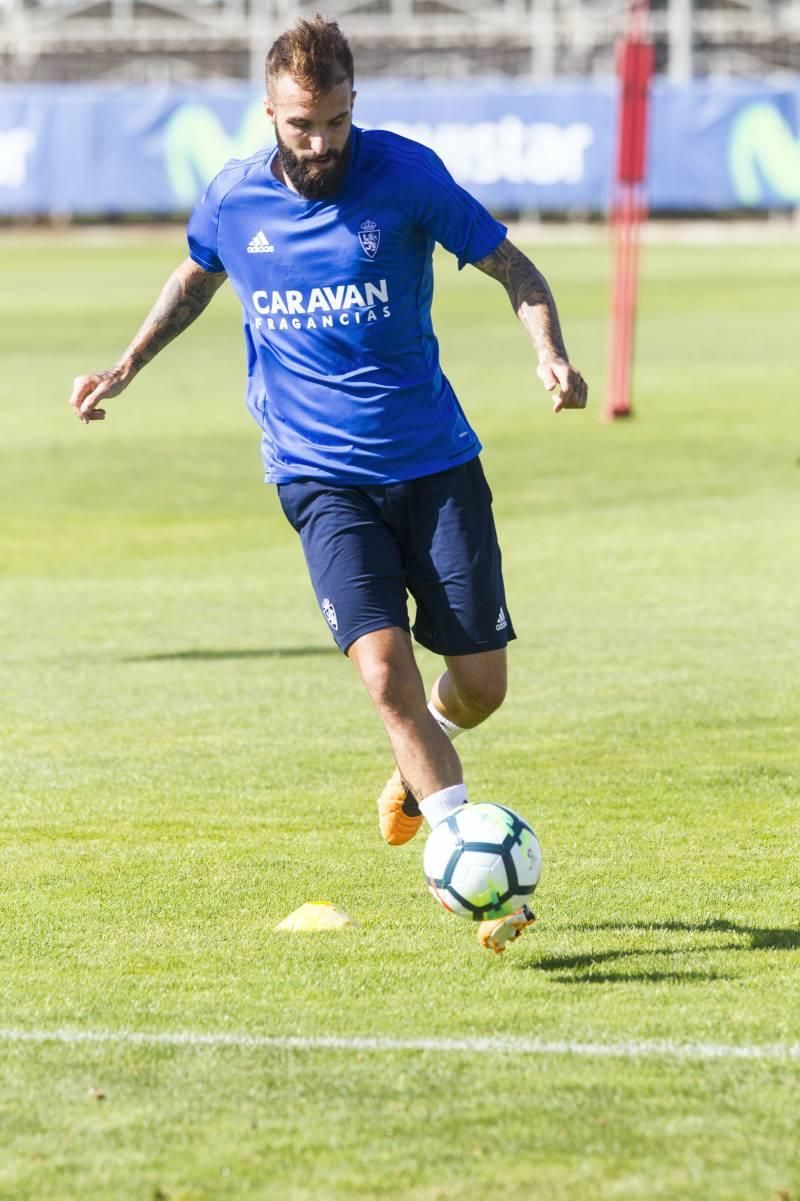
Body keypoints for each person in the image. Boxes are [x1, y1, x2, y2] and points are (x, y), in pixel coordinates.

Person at [69, 15, 588, 953]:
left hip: (434, 462)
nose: (319, 144)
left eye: (335, 123)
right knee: (384, 671)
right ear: (270, 111)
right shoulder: (235, 199)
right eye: (301, 126)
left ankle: (418, 755)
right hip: (318, 478)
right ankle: (461, 847)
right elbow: (195, 275)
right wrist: (126, 365)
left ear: (355, 108)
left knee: (480, 685)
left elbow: (515, 267)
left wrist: (550, 355)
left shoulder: (407, 176)